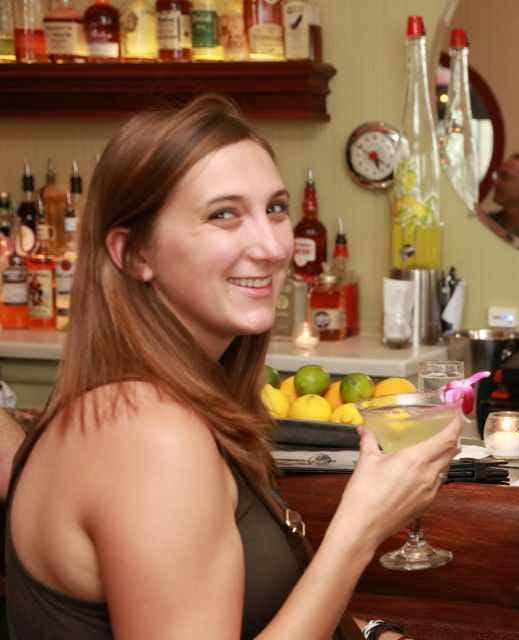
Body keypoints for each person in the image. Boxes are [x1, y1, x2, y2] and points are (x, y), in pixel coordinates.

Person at [4, 95, 458, 639]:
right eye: (224, 215)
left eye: (275, 208)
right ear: (133, 254)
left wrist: (370, 633)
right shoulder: (147, 432)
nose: (271, 246)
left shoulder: (182, 398)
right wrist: (361, 527)